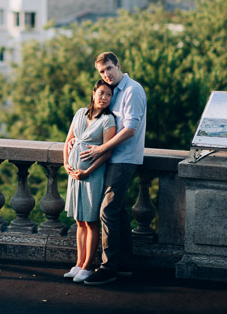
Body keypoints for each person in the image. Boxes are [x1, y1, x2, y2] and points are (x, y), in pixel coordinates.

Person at [79, 51, 147, 286]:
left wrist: (100, 149)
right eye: (101, 72)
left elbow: (130, 129)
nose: (106, 74)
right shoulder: (113, 92)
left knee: (107, 210)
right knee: (119, 212)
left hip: (125, 158)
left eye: (109, 68)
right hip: (113, 157)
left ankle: (108, 268)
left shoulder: (132, 90)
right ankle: (125, 265)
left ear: (118, 65)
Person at [62, 80, 117, 284]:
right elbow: (68, 140)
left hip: (92, 174)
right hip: (75, 174)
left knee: (91, 221)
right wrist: (66, 163)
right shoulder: (79, 113)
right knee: (79, 220)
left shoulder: (108, 120)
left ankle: (87, 267)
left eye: (109, 95)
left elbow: (107, 151)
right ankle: (78, 263)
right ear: (93, 93)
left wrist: (88, 171)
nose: (104, 98)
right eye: (101, 93)